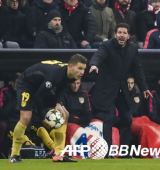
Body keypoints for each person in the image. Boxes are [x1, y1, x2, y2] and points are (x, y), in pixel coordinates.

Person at [9, 54, 87, 163]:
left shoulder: (71, 75)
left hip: (42, 84)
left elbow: (61, 87)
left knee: (64, 114)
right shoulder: (56, 74)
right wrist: (42, 118)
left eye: (83, 69)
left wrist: (58, 103)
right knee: (26, 117)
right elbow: (38, 97)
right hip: (28, 84)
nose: (82, 72)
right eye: (79, 68)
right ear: (70, 66)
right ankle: (14, 155)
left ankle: (58, 154)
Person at [89, 23, 152, 157]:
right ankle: (106, 153)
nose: (121, 35)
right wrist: (94, 64)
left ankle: (124, 152)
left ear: (128, 36)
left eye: (124, 33)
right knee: (108, 118)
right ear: (115, 34)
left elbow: (137, 69)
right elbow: (98, 55)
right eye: (119, 33)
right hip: (106, 87)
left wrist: (144, 88)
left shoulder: (133, 48)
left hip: (122, 88)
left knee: (127, 119)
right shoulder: (107, 45)